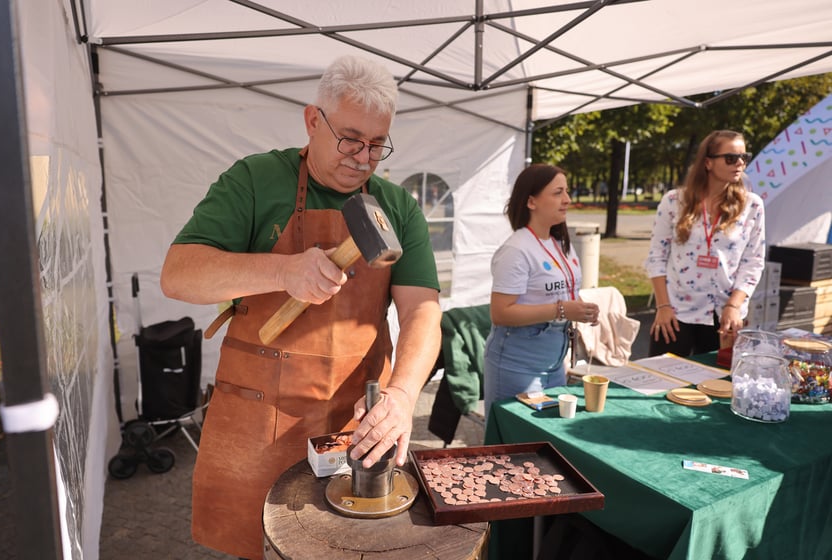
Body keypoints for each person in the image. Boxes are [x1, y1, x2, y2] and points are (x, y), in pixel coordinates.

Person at [160, 55, 442, 560]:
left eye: (378, 144)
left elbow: (423, 312)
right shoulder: (253, 180)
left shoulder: (396, 206)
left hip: (355, 418)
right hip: (258, 415)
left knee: (349, 546)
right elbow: (179, 274)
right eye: (351, 138)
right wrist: (280, 270)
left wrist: (400, 395)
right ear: (314, 120)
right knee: (259, 544)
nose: (363, 157)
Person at [483, 164, 599, 415]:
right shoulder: (516, 250)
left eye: (567, 192)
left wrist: (582, 309)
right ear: (531, 202)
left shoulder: (561, 244)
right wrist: (561, 310)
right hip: (518, 364)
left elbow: (563, 293)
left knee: (548, 436)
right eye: (558, 193)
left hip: (554, 363)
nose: (567, 200)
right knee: (516, 441)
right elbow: (500, 313)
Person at [644, 129, 765, 357]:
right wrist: (662, 307)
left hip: (725, 318)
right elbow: (656, 258)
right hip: (675, 314)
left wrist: (733, 306)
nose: (739, 163)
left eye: (744, 157)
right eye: (731, 158)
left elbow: (753, 263)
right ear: (708, 163)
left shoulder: (753, 206)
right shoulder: (673, 201)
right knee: (659, 384)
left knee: (716, 387)